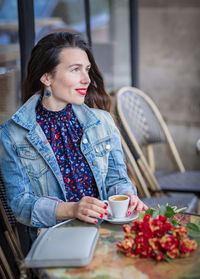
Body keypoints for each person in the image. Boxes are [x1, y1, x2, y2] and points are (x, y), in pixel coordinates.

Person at [0, 32, 147, 240]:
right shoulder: (12, 135)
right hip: (54, 241)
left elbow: (117, 178)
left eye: (86, 69)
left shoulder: (102, 122)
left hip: (106, 234)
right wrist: (71, 209)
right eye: (75, 69)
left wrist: (127, 196)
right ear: (47, 77)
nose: (86, 79)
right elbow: (20, 205)